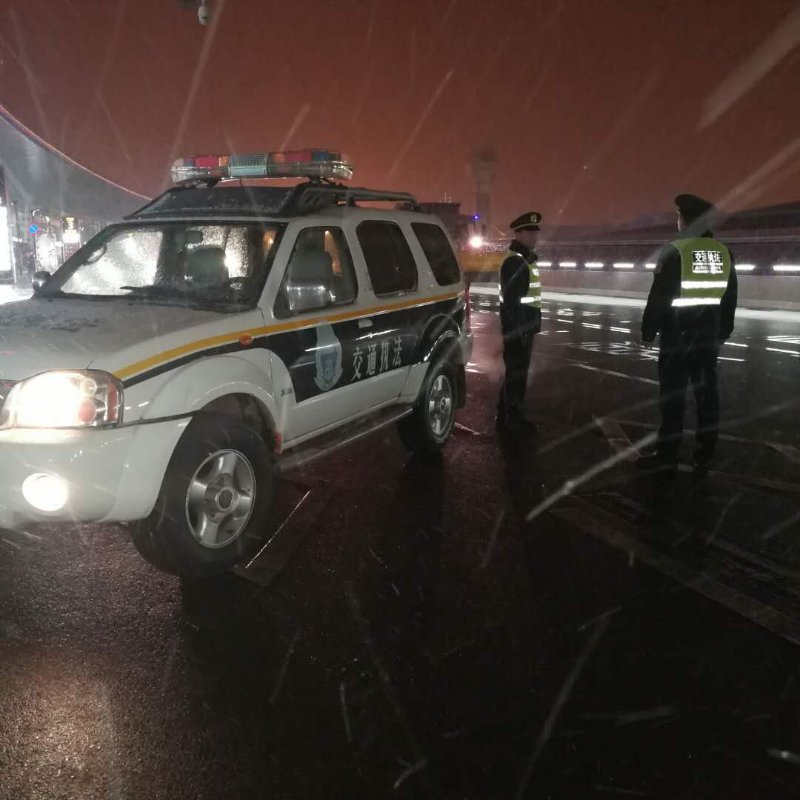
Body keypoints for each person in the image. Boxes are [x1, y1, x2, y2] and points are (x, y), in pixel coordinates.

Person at [639, 193, 738, 472]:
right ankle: (705, 453)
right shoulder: (723, 252)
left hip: (677, 336)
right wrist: (723, 331)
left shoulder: (676, 251)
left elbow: (659, 297)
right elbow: (730, 297)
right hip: (708, 337)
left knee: (673, 397)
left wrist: (648, 331)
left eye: (679, 217)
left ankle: (667, 454)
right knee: (707, 396)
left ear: (685, 220)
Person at [497, 211, 543, 428]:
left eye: (536, 233)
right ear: (518, 234)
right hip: (518, 328)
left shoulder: (524, 259)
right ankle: (514, 418)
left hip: (523, 327)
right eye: (529, 233)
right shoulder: (515, 261)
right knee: (517, 373)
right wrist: (520, 331)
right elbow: (512, 302)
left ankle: (505, 412)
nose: (535, 237)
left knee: (514, 372)